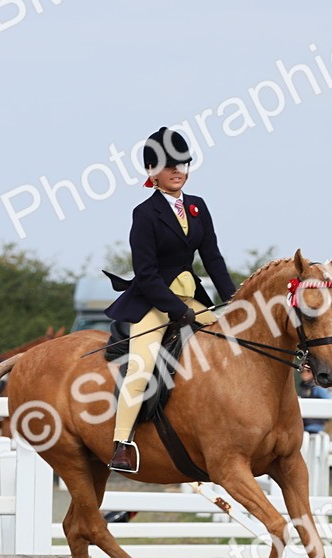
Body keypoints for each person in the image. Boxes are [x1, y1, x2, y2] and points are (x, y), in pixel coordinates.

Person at [103, 126, 237, 473]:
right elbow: (146, 274)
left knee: (231, 341)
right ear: (152, 172)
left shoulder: (198, 207)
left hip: (191, 296)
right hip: (154, 301)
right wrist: (176, 310)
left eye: (183, 163)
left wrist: (236, 302)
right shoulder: (144, 214)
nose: (178, 170)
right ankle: (122, 442)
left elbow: (213, 260)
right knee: (141, 365)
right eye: (169, 165)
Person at [298, 363, 332, 433]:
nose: (305, 373)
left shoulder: (318, 387)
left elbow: (330, 402)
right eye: (302, 371)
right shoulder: (304, 387)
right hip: (304, 427)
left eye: (308, 371)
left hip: (315, 427)